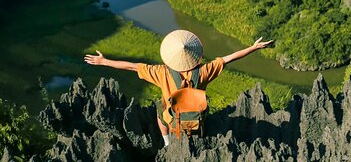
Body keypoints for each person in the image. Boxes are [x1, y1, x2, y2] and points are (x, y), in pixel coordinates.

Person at [84, 30, 272, 146]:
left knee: (159, 110)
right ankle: (197, 131)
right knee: (202, 106)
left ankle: (167, 142)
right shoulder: (205, 71)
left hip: (174, 122)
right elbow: (230, 58)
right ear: (194, 54)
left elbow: (132, 66)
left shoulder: (161, 72)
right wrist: (253, 47)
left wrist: (104, 61)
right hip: (197, 121)